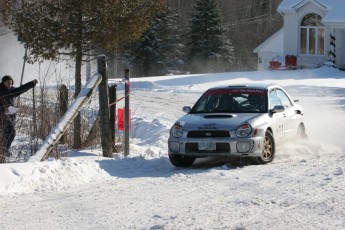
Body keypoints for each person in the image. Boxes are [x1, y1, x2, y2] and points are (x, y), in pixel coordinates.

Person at [0, 75, 38, 162]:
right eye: (8, 82)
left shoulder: (12, 90)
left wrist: (32, 83)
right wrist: (2, 109)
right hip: (2, 117)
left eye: (11, 82)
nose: (10, 84)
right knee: (11, 132)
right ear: (3, 82)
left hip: (10, 116)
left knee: (6, 134)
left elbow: (22, 88)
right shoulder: (1, 91)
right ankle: (4, 150)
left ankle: (2, 151)